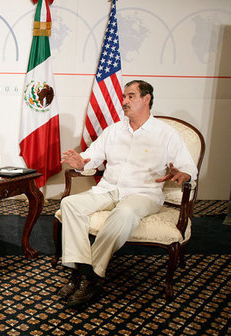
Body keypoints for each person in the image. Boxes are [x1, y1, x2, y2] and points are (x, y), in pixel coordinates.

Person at [58, 80, 197, 307]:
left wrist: (183, 175)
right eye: (124, 97)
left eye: (131, 96)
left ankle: (89, 276)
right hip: (109, 189)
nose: (124, 101)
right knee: (70, 204)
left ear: (147, 98)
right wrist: (81, 162)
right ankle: (82, 268)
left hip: (143, 194)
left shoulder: (166, 134)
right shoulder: (113, 130)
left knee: (124, 213)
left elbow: (189, 169)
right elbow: (91, 156)